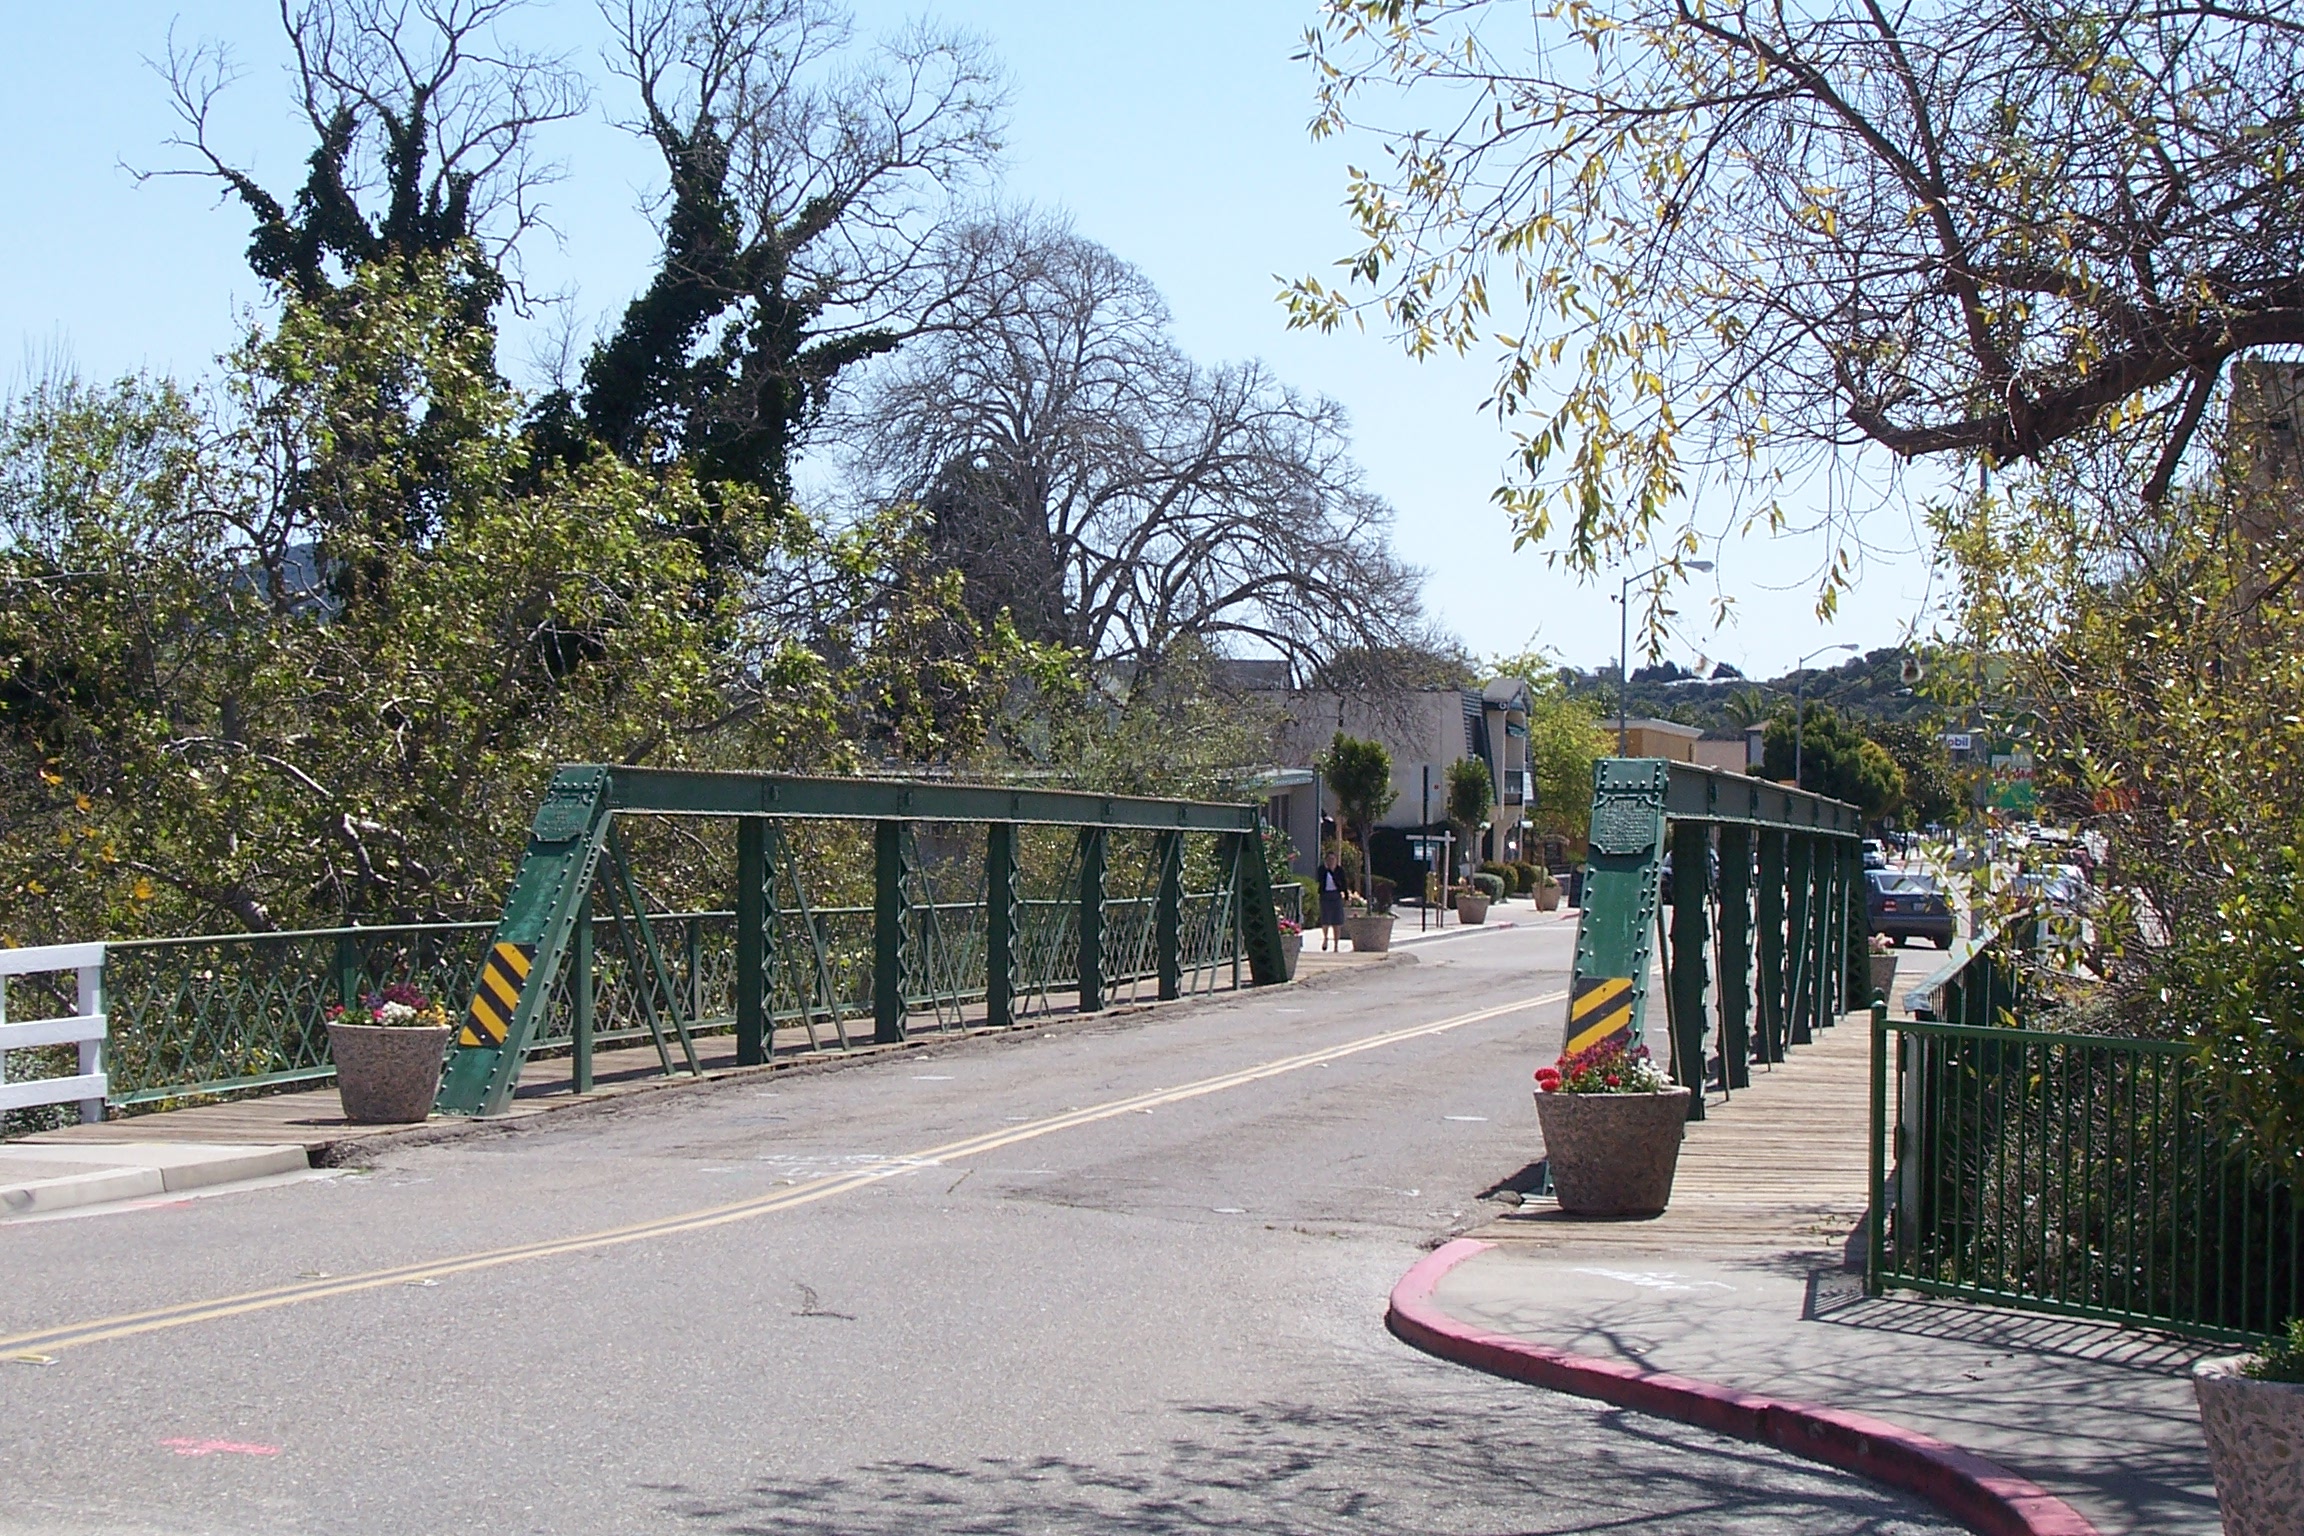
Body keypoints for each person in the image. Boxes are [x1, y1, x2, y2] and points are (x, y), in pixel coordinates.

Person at [1315, 849, 1350, 950]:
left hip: (1336, 895)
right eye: (1329, 859)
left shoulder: (1339, 870)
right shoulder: (1322, 870)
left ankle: (1336, 945)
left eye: (1333, 859)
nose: (1331, 861)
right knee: (1325, 919)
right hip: (1325, 895)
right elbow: (1319, 880)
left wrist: (1346, 896)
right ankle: (1325, 938)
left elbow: (1343, 883)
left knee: (1337, 921)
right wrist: (1327, 870)